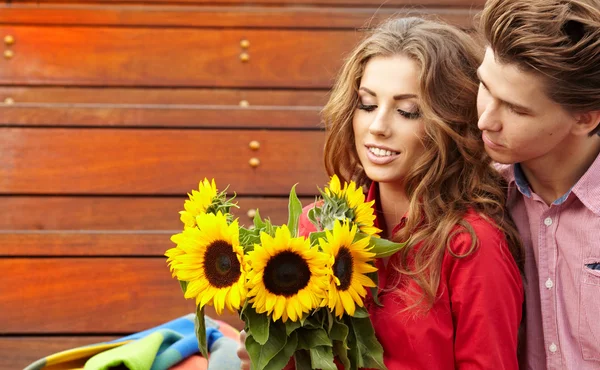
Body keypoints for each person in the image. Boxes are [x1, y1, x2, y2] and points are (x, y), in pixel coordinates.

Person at [238, 17, 524, 369]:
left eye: (408, 112)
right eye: (368, 104)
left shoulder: (472, 245)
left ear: (452, 122)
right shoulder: (318, 226)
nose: (377, 127)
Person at [476, 0, 600, 368]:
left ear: (584, 118)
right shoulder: (472, 195)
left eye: (515, 109)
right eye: (484, 86)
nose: (485, 120)